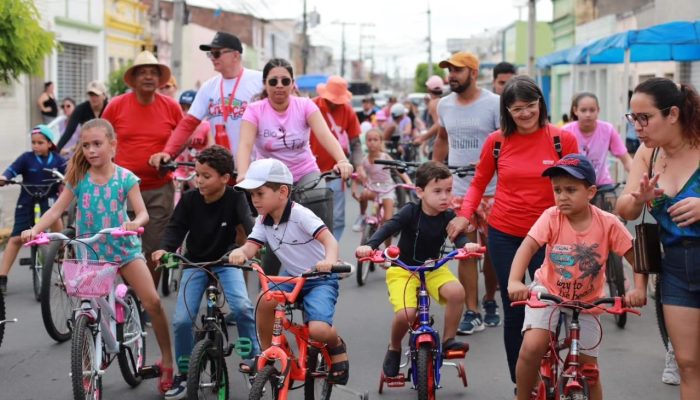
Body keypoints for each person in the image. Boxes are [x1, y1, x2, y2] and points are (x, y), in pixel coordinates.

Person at [20, 118, 175, 393]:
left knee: (152, 301)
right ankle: (93, 353)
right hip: (90, 253)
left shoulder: (126, 178)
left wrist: (133, 223)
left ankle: (167, 360)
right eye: (86, 145)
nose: (91, 150)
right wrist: (35, 230)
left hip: (123, 250)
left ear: (112, 145)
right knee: (87, 309)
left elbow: (143, 213)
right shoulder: (78, 179)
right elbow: (55, 211)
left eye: (97, 144)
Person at [448, 75, 578, 388]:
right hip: (505, 235)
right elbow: (479, 182)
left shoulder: (561, 140)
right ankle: (522, 384)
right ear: (507, 109)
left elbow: (580, 187)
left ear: (540, 105)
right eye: (517, 108)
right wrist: (465, 216)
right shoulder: (496, 141)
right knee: (516, 308)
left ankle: (548, 366)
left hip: (552, 237)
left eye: (530, 106)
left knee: (552, 305)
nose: (524, 114)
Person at [507, 153, 647, 400]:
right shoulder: (551, 217)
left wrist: (638, 289)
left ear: (591, 192)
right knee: (532, 347)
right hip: (548, 292)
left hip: (588, 302)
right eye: (557, 190)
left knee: (589, 369)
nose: (562, 196)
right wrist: (515, 282)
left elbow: (637, 258)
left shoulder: (608, 223)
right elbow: (526, 248)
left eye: (570, 190)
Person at [228, 158, 350, 385]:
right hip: (293, 279)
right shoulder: (263, 221)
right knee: (264, 300)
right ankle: (266, 353)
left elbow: (330, 241)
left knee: (319, 331)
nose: (254, 200)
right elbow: (251, 246)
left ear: (283, 192)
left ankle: (336, 345)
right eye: (251, 195)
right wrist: (242, 252)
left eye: (259, 194)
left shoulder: (300, 215)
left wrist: (329, 261)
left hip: (319, 278)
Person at [355, 161, 481, 377]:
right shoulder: (410, 212)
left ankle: (449, 339)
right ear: (420, 192)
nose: (445, 197)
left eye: (449, 191)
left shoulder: (448, 216)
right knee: (406, 314)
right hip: (403, 269)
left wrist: (466, 245)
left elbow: (458, 236)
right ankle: (394, 347)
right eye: (438, 191)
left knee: (457, 293)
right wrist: (370, 246)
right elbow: (388, 227)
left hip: (434, 268)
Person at [152, 146, 259, 399]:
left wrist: (248, 249)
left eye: (206, 176)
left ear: (225, 178)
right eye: (197, 174)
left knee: (243, 307)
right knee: (181, 321)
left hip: (226, 260)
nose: (198, 180)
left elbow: (251, 226)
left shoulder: (235, 198)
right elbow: (175, 229)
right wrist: (164, 250)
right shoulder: (189, 200)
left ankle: (253, 359)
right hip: (194, 263)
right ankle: (183, 374)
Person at [616, 77, 700, 400]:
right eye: (633, 118)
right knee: (687, 363)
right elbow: (625, 208)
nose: (637, 127)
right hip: (675, 270)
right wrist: (640, 197)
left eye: (645, 118)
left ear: (673, 114)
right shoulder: (646, 156)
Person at [432, 51, 502, 335]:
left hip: (496, 191)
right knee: (466, 252)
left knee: (495, 254)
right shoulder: (444, 105)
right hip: (461, 192)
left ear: (473, 72)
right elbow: (442, 139)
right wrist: (434, 173)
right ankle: (472, 311)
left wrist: (493, 163)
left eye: (458, 70)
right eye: (449, 70)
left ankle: (489, 301)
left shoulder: (495, 103)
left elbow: (507, 143)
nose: (452, 75)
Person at [102, 50, 183, 289]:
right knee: (125, 248)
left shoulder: (171, 106)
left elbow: (183, 135)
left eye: (153, 73)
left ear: (160, 79)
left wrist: (169, 154)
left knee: (155, 248)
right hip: (122, 190)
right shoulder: (116, 106)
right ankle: (132, 298)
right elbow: (99, 136)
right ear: (134, 78)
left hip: (159, 189)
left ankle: (147, 301)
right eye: (143, 72)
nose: (148, 77)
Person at [149, 31, 264, 165]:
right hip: (222, 169)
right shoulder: (208, 87)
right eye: (210, 54)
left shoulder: (260, 81)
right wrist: (168, 152)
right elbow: (188, 124)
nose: (212, 58)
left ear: (235, 55)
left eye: (217, 53)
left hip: (255, 168)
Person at [0, 125, 66, 293]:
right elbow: (11, 171)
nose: (35, 145)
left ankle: (59, 249)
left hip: (49, 199)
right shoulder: (26, 158)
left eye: (40, 142)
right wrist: (4, 177)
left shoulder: (58, 160)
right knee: (15, 238)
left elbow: (69, 175)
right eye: (33, 142)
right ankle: (2, 277)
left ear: (50, 143)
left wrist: (68, 181)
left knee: (56, 220)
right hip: (26, 200)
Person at [310, 75, 362, 239]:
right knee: (310, 216)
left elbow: (355, 143)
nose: (335, 103)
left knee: (337, 218)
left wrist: (358, 166)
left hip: (335, 172)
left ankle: (331, 253)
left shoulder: (347, 111)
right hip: (310, 171)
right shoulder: (311, 106)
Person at [563, 92, 632, 191]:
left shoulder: (607, 130)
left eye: (592, 110)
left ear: (598, 110)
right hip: (575, 185)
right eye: (583, 110)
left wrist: (639, 177)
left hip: (602, 185)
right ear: (575, 110)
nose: (588, 114)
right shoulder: (566, 131)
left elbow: (626, 159)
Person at [351, 128, 412, 236]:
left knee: (387, 221)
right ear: (366, 142)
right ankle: (362, 215)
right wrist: (354, 188)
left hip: (387, 189)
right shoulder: (364, 160)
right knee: (364, 194)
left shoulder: (385, 157)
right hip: (373, 188)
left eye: (375, 139)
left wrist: (408, 181)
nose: (372, 143)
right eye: (369, 140)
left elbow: (398, 168)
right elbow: (357, 175)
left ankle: (387, 247)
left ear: (381, 142)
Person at [56, 80, 109, 155]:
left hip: (106, 147)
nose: (93, 98)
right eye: (91, 95)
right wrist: (55, 152)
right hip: (87, 146)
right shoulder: (81, 109)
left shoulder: (110, 107)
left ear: (104, 96)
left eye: (96, 95)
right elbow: (69, 131)